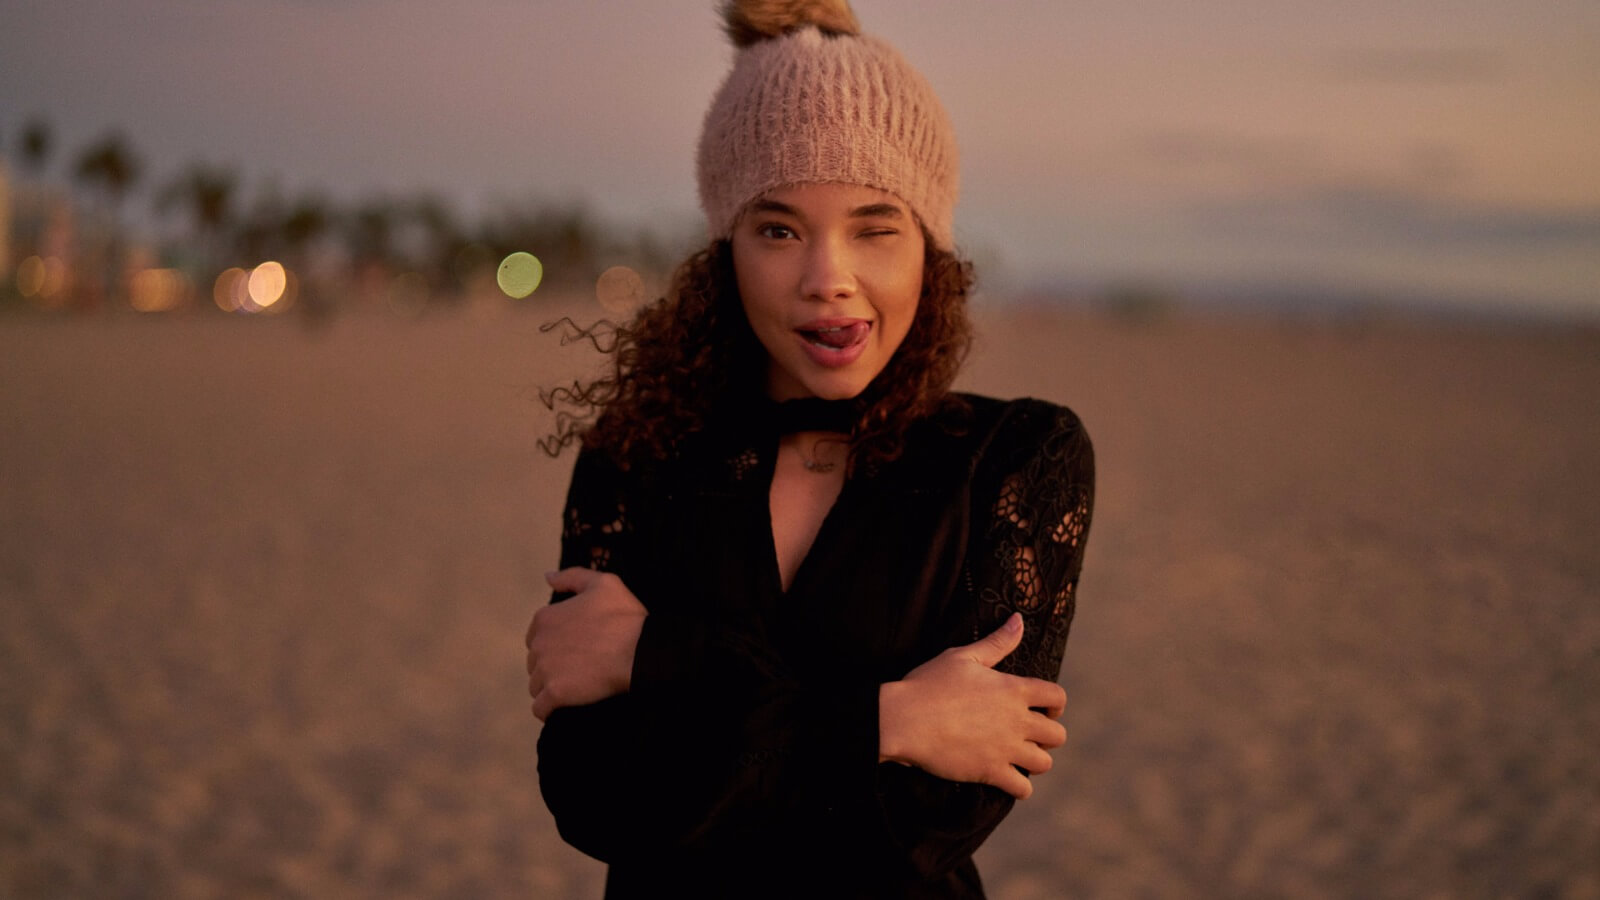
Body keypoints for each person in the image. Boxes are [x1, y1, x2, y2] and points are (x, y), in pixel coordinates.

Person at [524, 1, 1094, 896]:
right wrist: (893, 722)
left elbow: (930, 824)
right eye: (779, 229)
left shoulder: (1016, 458)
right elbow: (596, 799)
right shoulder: (636, 453)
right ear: (727, 249)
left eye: (876, 227)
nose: (829, 278)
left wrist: (654, 658)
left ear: (930, 249)